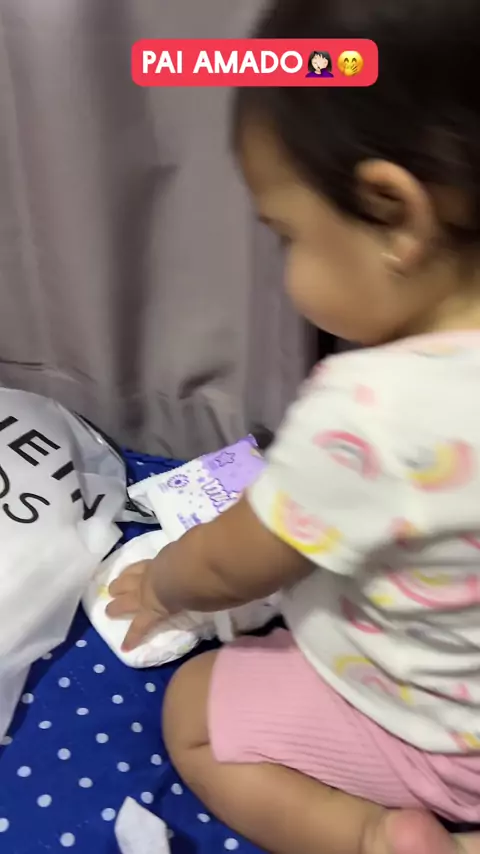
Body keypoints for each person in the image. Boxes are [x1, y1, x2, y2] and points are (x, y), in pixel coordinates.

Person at [108, 0, 480, 852]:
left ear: (394, 213)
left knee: (195, 713)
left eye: (287, 235)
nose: (286, 266)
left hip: (444, 738)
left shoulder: (371, 413)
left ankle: (373, 837)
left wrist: (163, 583)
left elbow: (235, 561)